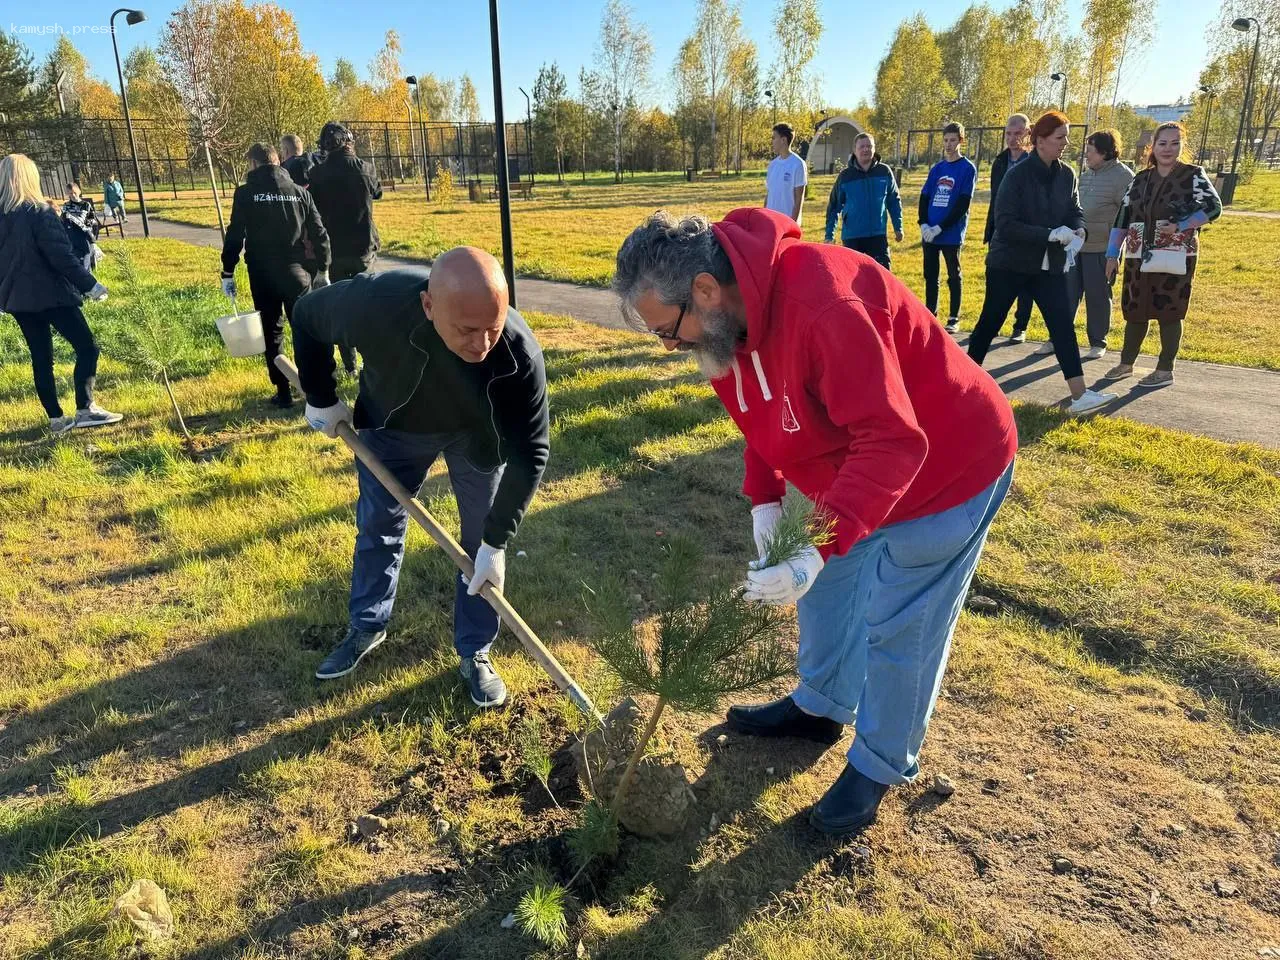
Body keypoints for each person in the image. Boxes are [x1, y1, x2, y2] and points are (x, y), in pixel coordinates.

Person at [612, 208, 1017, 836]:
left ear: (703, 291)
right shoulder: (724, 327)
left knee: (900, 622)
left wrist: (818, 548)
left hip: (947, 464)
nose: (670, 346)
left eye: (669, 330)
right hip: (842, 464)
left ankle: (878, 767)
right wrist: (767, 501)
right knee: (825, 592)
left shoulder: (822, 305)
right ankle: (822, 705)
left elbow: (891, 442)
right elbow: (762, 412)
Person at [291, 250, 550, 709]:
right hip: (395, 427)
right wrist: (321, 396)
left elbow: (531, 451)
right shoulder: (376, 303)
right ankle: (368, 624)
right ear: (430, 307)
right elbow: (307, 315)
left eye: (492, 326)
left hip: (478, 438)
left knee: (478, 545)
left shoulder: (518, 351)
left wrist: (496, 542)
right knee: (378, 525)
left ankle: (476, 650)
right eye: (468, 331)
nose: (483, 344)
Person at [965, 112, 1116, 416]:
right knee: (989, 324)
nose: (1066, 143)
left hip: (1048, 267)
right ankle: (961, 387)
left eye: (1067, 136)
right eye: (1060, 137)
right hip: (1009, 263)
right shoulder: (1017, 175)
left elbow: (1074, 209)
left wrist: (1078, 228)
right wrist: (1049, 234)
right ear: (1040, 141)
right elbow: (1005, 225)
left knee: (1062, 325)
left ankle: (1079, 396)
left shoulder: (1066, 174)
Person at [0, 154, 121, 435]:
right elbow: (62, 257)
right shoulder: (40, 213)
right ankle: (85, 408)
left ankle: (56, 420)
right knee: (87, 346)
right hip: (50, 295)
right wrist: (90, 285)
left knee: (41, 357)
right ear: (30, 177)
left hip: (18, 301)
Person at [1101, 122, 1221, 389]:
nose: (1168, 148)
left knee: (1170, 310)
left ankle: (1165, 368)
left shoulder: (1193, 175)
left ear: (1182, 146)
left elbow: (1215, 208)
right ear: (1152, 146)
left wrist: (1183, 224)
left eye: (1175, 143)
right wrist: (1112, 254)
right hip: (1137, 254)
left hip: (1176, 254)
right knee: (1135, 308)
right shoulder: (1141, 178)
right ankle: (1126, 363)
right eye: (1163, 143)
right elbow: (1123, 215)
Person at [220, 142, 330, 408]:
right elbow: (319, 232)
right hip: (297, 272)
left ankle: (283, 392)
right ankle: (315, 390)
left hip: (263, 273)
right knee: (304, 330)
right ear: (278, 161)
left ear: (255, 164)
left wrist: (228, 269)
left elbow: (236, 234)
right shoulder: (299, 193)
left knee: (272, 332)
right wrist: (323, 268)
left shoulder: (246, 194)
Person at [308, 121, 383, 376]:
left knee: (341, 307)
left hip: (335, 251)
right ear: (349, 141)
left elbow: (313, 209)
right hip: (364, 249)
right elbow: (378, 193)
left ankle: (350, 365)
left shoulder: (317, 174)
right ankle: (373, 358)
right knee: (367, 304)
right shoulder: (366, 169)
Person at [1069, 130, 1134, 363]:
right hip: (1077, 247)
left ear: (1105, 153)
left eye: (1090, 151)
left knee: (1097, 296)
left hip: (1102, 249)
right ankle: (1060, 337)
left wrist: (1113, 254)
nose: (1086, 155)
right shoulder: (1086, 175)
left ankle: (1098, 341)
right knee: (1067, 294)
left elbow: (1127, 217)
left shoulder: (1124, 177)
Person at [918, 122, 976, 332]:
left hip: (950, 233)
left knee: (953, 273)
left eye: (953, 140)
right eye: (946, 141)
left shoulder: (967, 169)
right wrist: (924, 223)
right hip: (929, 232)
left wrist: (941, 227)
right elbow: (924, 196)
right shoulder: (937, 169)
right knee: (930, 274)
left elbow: (963, 203)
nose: (949, 145)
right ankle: (930, 312)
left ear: (961, 141)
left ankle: (953, 317)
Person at [983, 114, 1035, 342]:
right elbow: (995, 198)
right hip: (1000, 229)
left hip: (1025, 230)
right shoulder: (1000, 161)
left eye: (1018, 134)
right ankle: (991, 325)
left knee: (1024, 281)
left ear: (1028, 134)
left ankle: (1020, 326)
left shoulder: (1034, 162)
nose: (1013, 139)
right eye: (1009, 134)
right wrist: (990, 229)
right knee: (996, 279)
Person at [823, 132, 904, 270]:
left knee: (882, 278)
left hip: (878, 236)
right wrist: (829, 235)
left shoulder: (884, 171)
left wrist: (898, 227)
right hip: (852, 238)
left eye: (869, 146)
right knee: (853, 280)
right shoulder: (845, 176)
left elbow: (893, 201)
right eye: (862, 147)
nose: (866, 149)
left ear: (874, 148)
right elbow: (834, 206)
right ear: (854, 150)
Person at [764, 123, 807, 224]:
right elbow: (769, 194)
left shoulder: (798, 164)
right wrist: (764, 216)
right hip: (770, 222)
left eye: (774, 138)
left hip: (787, 224)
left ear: (783, 140)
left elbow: (799, 198)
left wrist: (792, 223)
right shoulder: (772, 165)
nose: (772, 142)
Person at [60, 182, 100, 271]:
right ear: (67, 194)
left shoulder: (86, 205)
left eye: (74, 192)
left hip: (85, 233)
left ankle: (89, 270)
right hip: (72, 235)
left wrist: (90, 232)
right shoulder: (66, 206)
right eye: (70, 193)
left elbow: (92, 220)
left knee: (87, 255)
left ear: (79, 191)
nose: (73, 195)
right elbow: (64, 220)